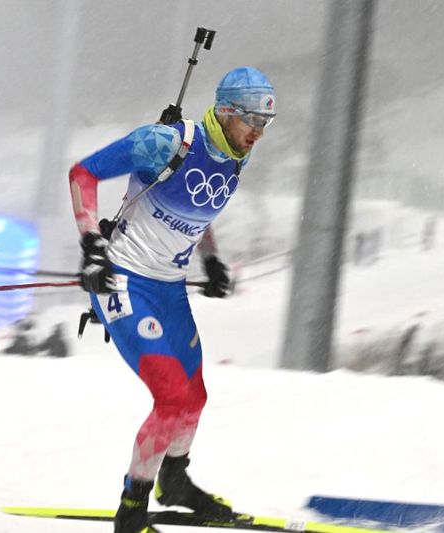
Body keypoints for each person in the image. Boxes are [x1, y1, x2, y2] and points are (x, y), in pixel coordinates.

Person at [68, 67, 275, 533]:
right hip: (124, 281)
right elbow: (83, 173)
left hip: (169, 287)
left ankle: (175, 482)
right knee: (171, 397)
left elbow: (197, 208)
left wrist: (211, 260)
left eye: (266, 123)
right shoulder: (164, 142)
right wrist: (92, 246)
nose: (258, 133)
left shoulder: (235, 157)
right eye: (252, 121)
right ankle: (132, 508)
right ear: (226, 112)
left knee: (194, 397)